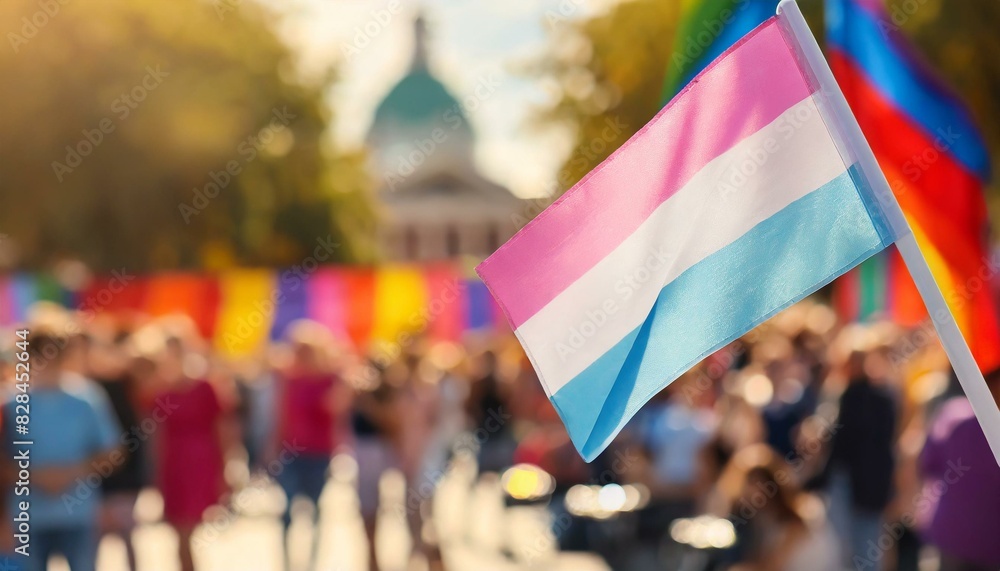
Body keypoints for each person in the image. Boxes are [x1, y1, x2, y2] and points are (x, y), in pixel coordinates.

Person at [2, 327, 122, 571]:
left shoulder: (88, 398)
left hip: (79, 515)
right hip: (27, 518)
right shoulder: (10, 403)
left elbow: (113, 451)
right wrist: (36, 477)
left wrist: (73, 473)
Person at [273, 321, 350, 571]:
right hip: (290, 453)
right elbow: (281, 415)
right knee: (286, 510)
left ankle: (313, 562)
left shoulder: (331, 379)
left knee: (316, 509)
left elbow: (336, 409)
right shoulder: (289, 380)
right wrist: (272, 447)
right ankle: (286, 561)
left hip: (319, 453)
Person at [152, 332, 229, 571]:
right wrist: (156, 474)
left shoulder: (206, 388)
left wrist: (226, 468)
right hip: (174, 465)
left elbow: (223, 429)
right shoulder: (160, 392)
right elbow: (157, 438)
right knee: (179, 530)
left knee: (187, 530)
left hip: (201, 463)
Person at [917, 369, 1000, 571]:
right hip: (979, 540)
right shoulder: (954, 415)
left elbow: (928, 463)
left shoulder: (953, 415)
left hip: (955, 535)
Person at [825, 347, 897, 566]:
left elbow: (843, 443)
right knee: (864, 547)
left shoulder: (858, 397)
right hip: (869, 486)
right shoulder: (884, 398)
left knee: (851, 545)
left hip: (858, 484)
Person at [718, 444, 840, 571]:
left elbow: (772, 567)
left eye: (761, 483)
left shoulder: (798, 519)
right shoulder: (758, 521)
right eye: (750, 483)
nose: (755, 491)